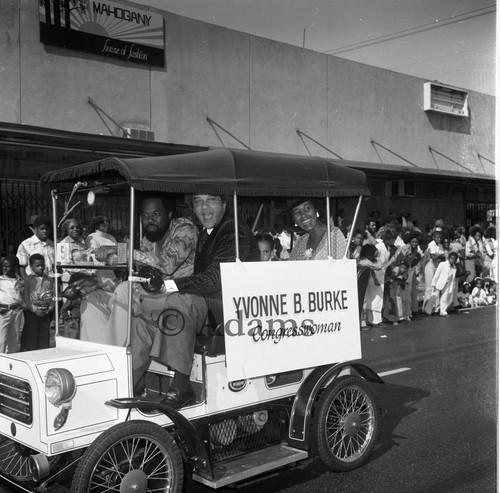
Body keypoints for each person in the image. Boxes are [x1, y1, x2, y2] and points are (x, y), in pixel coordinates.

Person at [130, 194, 259, 409]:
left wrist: (171, 285)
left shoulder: (233, 231)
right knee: (143, 318)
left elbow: (215, 278)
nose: (204, 207)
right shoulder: (207, 231)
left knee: (178, 303)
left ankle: (181, 386)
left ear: (225, 204)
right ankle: (134, 380)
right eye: (199, 201)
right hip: (206, 302)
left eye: (211, 200)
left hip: (227, 309)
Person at [81, 195, 198, 345]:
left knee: (125, 291)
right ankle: (97, 354)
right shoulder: (148, 239)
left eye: (156, 214)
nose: (150, 219)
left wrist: (119, 249)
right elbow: (141, 275)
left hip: (178, 295)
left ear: (168, 214)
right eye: (145, 215)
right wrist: (100, 284)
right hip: (150, 293)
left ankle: (118, 357)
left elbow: (166, 265)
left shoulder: (184, 229)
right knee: (93, 296)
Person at [365, 229, 401, 327]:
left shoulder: (387, 247)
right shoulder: (379, 247)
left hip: (381, 275)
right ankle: (374, 321)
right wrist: (374, 277)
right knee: (374, 298)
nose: (394, 241)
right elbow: (371, 262)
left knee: (378, 298)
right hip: (375, 275)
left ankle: (374, 320)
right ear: (388, 238)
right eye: (393, 239)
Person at [22, 254, 54, 351]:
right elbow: (26, 297)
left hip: (45, 311)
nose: (41, 267)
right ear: (31, 267)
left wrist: (50, 308)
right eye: (37, 266)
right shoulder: (28, 280)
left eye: (42, 265)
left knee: (44, 336)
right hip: (32, 312)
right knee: (31, 336)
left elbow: (53, 295)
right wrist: (35, 310)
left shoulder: (49, 279)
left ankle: (43, 357)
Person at [0, 255, 25, 353]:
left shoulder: (21, 281)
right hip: (4, 312)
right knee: (1, 341)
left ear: (15, 268)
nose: (4, 268)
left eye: (7, 266)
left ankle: (10, 364)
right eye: (3, 266)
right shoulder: (1, 280)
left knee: (14, 341)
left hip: (17, 313)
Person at [422, 230, 445, 315]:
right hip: (430, 265)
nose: (439, 239)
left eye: (440, 237)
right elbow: (434, 257)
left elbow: (442, 257)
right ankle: (426, 308)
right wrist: (440, 256)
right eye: (437, 237)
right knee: (429, 287)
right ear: (433, 238)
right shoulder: (431, 244)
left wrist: (439, 256)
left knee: (436, 287)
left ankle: (435, 308)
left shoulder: (440, 245)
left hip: (437, 266)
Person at [428, 251, 458, 316]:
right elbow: (437, 274)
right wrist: (434, 283)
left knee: (445, 297)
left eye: (454, 259)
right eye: (451, 258)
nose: (452, 260)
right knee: (434, 296)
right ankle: (429, 310)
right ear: (448, 258)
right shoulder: (442, 264)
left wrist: (451, 287)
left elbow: (452, 278)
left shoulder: (454, 267)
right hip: (439, 283)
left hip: (447, 284)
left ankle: (443, 311)